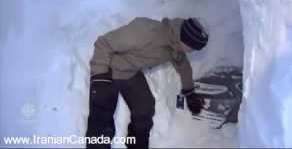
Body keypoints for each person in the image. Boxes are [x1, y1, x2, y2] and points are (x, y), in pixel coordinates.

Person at [86, 17, 209, 149]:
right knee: (101, 119)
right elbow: (103, 43)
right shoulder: (146, 32)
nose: (192, 51)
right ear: (186, 40)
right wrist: (99, 77)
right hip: (107, 70)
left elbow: (184, 67)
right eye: (192, 48)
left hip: (130, 72)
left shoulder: (175, 46)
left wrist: (189, 92)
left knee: (145, 107)